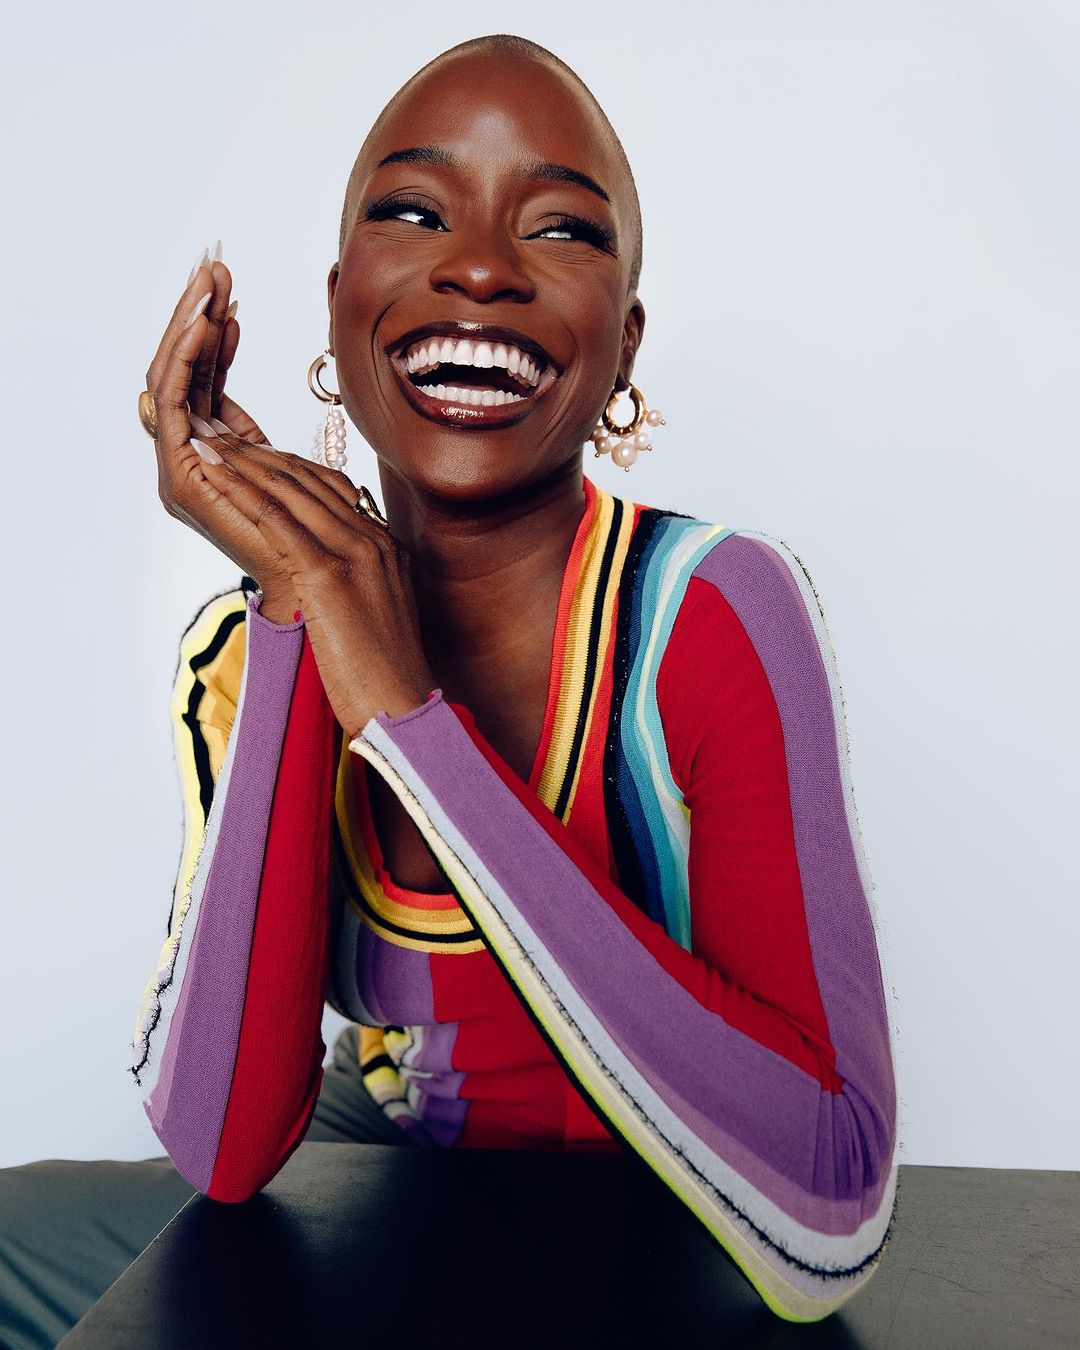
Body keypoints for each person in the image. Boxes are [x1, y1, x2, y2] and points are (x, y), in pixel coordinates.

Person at [0, 31, 898, 1347]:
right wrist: (303, 598)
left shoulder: (711, 615)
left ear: (624, 344)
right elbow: (228, 1148)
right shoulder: (246, 648)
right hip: (388, 1184)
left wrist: (409, 721)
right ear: (338, 308)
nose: (479, 268)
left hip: (663, 1220)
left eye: (562, 230)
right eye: (415, 213)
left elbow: (834, 1211)